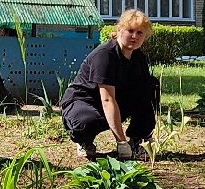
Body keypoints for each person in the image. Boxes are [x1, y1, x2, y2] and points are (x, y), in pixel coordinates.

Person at [61, 9, 161, 162]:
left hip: (114, 99)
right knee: (87, 122)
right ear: (119, 30)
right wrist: (121, 142)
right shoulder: (105, 55)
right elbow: (107, 100)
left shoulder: (139, 58)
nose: (134, 36)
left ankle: (137, 140)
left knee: (150, 86)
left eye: (140, 33)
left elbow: (142, 96)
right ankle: (84, 141)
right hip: (83, 101)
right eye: (130, 31)